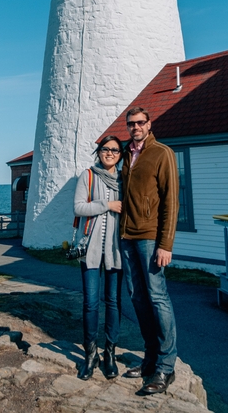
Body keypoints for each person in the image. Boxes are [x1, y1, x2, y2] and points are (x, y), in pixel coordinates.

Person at [120, 106, 179, 395]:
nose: (136, 127)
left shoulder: (161, 153)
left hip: (149, 237)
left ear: (149, 123)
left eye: (141, 123)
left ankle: (166, 367)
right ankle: (150, 358)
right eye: (131, 124)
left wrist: (165, 244)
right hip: (126, 235)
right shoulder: (124, 154)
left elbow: (171, 201)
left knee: (158, 297)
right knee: (137, 296)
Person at [73, 135, 123, 381]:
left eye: (114, 150)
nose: (110, 153)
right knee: (91, 303)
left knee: (113, 301)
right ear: (99, 152)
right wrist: (107, 204)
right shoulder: (88, 175)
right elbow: (78, 207)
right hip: (90, 250)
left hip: (116, 251)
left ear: (120, 154)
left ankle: (110, 353)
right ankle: (90, 354)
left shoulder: (124, 179)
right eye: (105, 149)